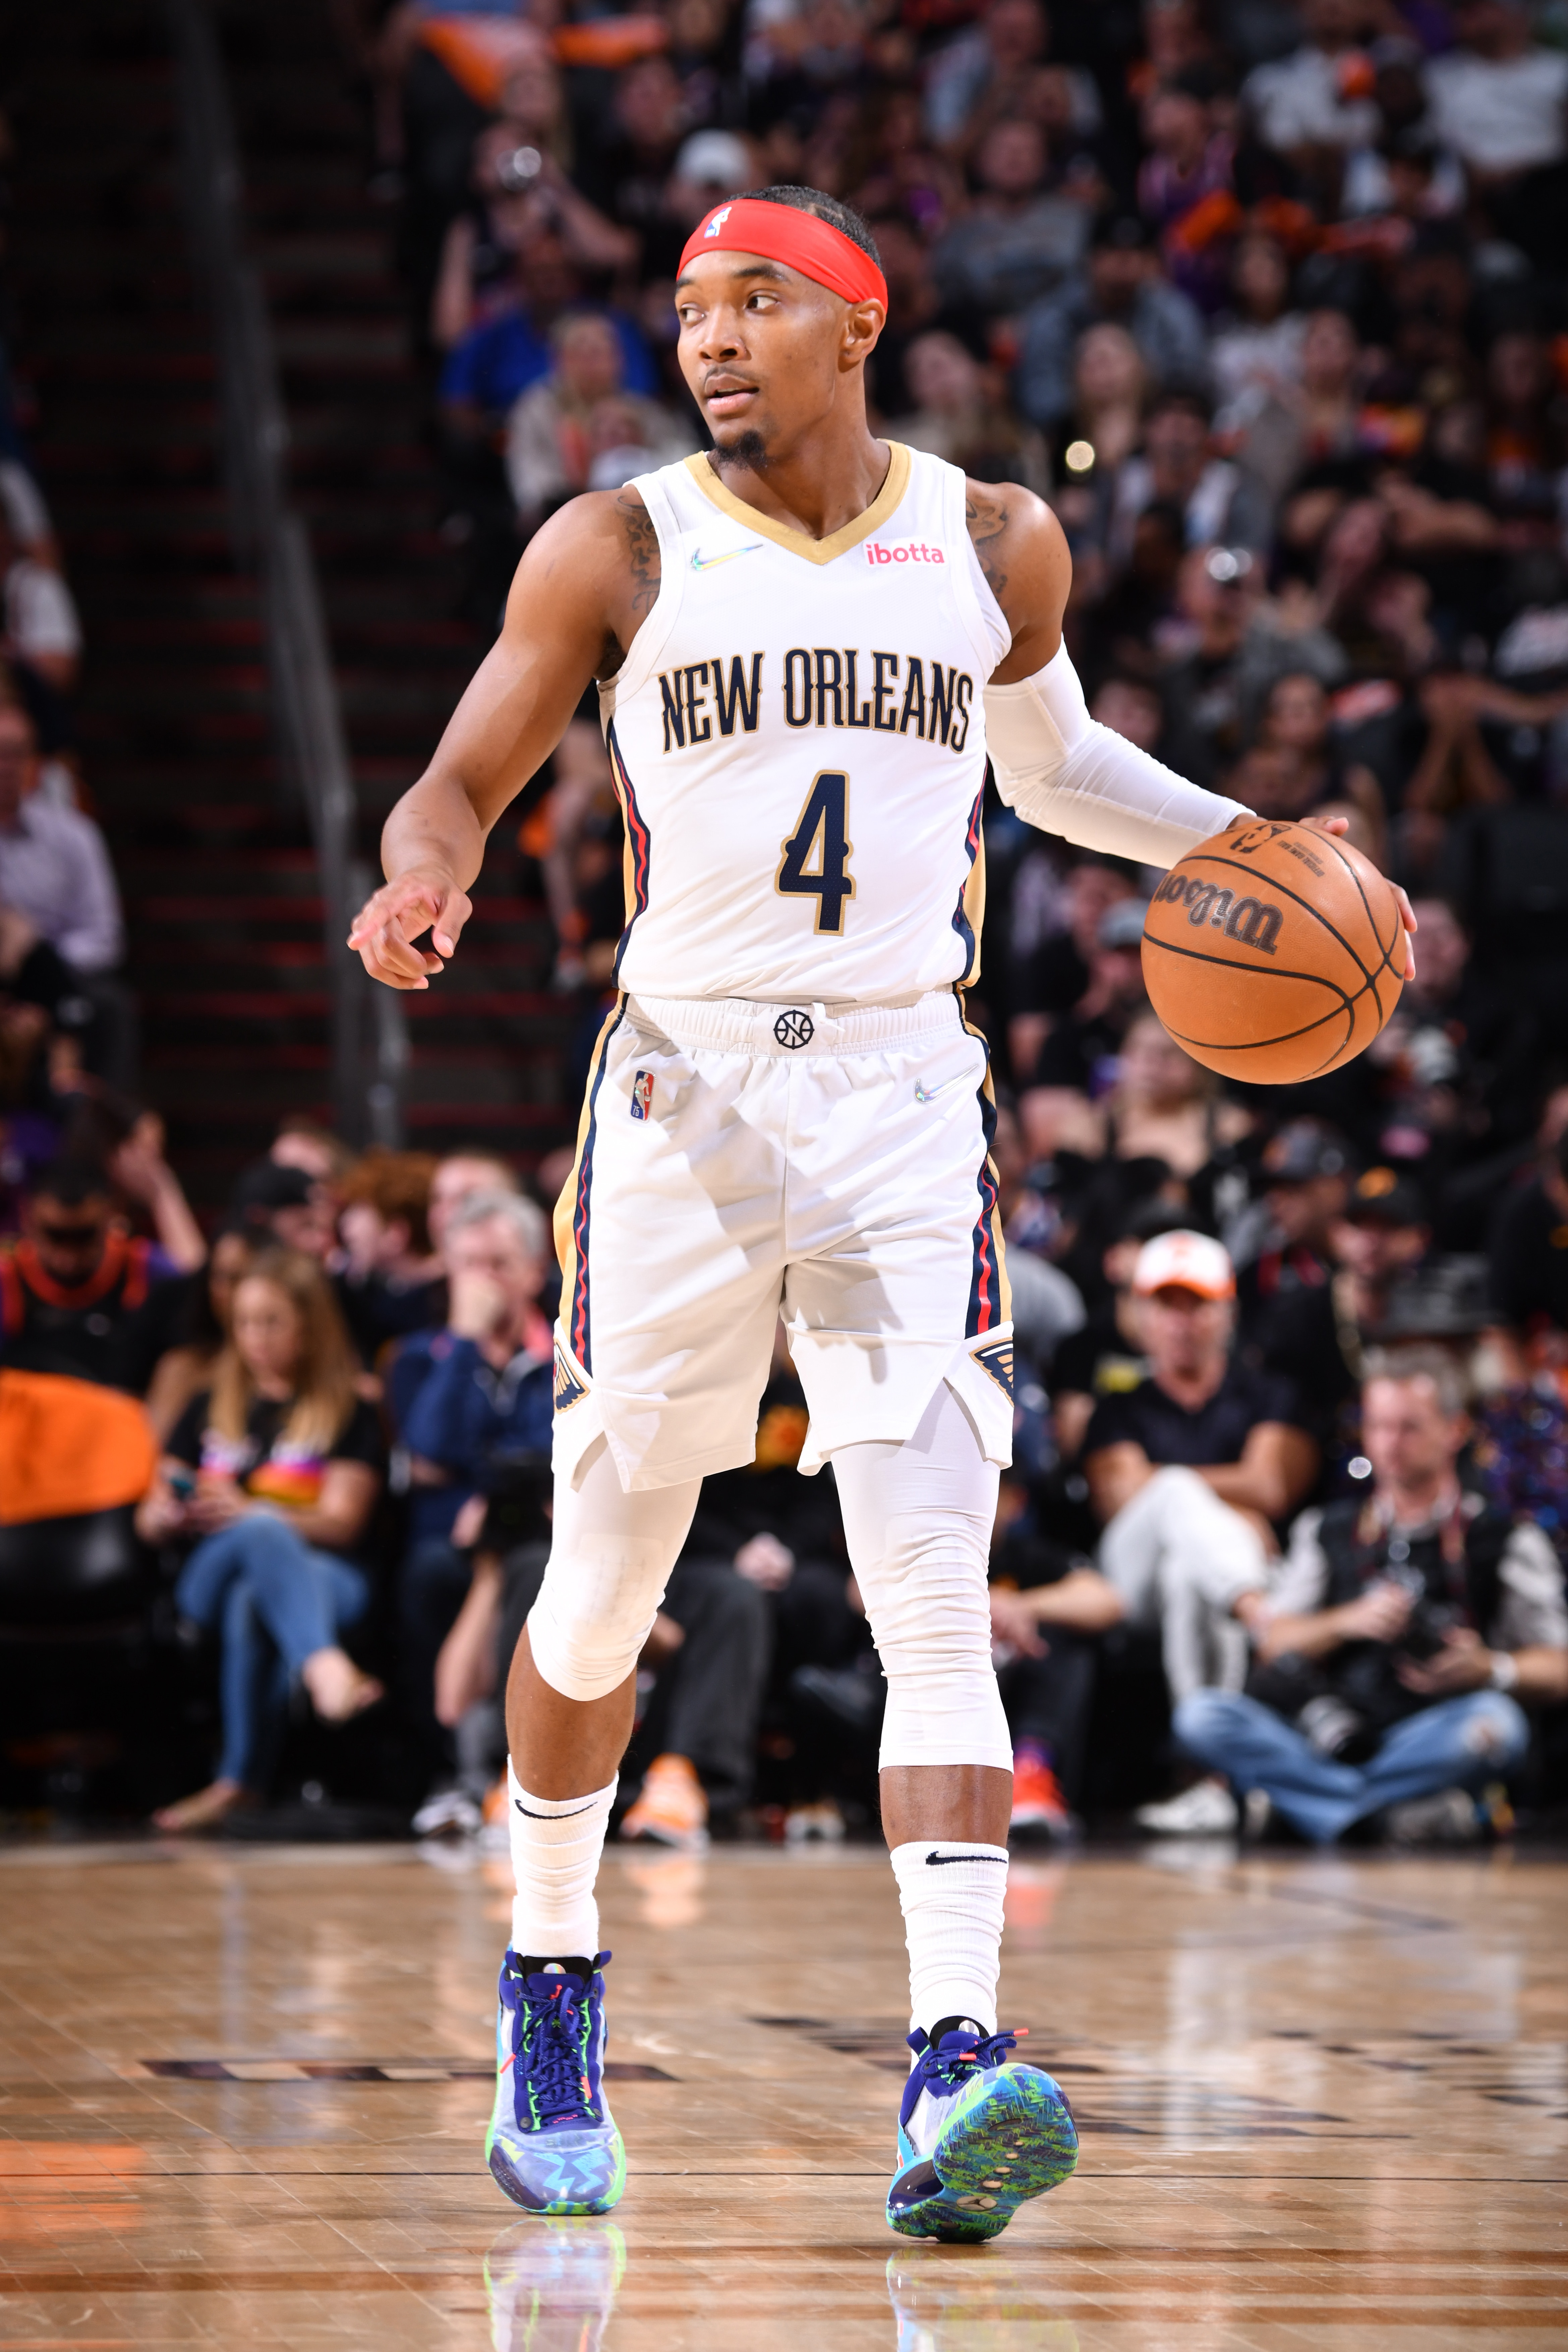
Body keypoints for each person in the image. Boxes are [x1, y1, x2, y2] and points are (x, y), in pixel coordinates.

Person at [350, 183, 1412, 2236]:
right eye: (688, 309)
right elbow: (454, 775)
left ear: (859, 325)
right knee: (599, 1573)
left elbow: (1059, 767)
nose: (710, 338)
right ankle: (550, 1968)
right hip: (678, 1101)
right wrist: (427, 869)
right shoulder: (616, 542)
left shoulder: (995, 537)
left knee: (927, 1567)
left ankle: (952, 2056)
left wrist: (1256, 840)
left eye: (753, 302)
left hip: (906, 1093)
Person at [1175, 1354, 1568, 1845]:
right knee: (1203, 1716)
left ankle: (1312, 1806)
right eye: (1378, 1427)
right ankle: (1383, 1814)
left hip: (1435, 1727)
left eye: (1409, 1428)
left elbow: (1558, 1667)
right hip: (1335, 1734)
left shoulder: (1502, 1537)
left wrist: (1489, 1668)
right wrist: (1346, 1621)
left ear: (1454, 1430)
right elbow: (1275, 1641)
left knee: (1498, 1726)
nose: (1389, 1444)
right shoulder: (1327, 1529)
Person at [138, 1249, 385, 1834]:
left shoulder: (349, 1410)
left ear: (310, 1324)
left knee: (260, 1581)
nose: (256, 1337)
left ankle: (238, 1783)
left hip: (326, 1573)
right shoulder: (207, 1405)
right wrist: (172, 1511)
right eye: (245, 1322)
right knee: (257, 1537)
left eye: (272, 1321)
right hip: (207, 1576)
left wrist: (252, 1509)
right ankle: (326, 1668)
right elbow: (145, 1521)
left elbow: (344, 1523)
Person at [1081, 1228, 1318, 1835]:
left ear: (1227, 1313)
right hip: (1128, 1585)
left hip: (1189, 1578)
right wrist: (1228, 1511)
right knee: (1177, 1496)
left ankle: (1210, 1777)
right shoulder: (1118, 1406)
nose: (1182, 1323)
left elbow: (1273, 1487)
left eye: (1198, 1305)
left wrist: (1179, 1491)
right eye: (1166, 1305)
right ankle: (1259, 1613)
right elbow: (1124, 1497)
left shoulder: (1269, 1392)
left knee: (1190, 1569)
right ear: (1140, 1314)